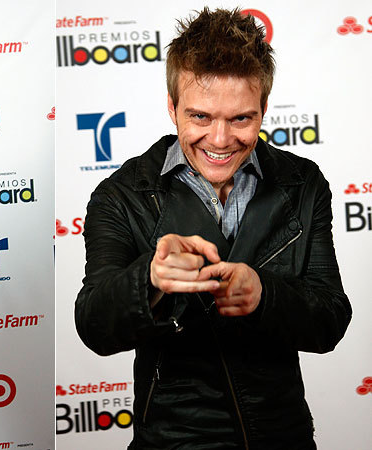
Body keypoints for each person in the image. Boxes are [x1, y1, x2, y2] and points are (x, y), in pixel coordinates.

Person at [75, 8, 351, 449]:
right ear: (172, 107)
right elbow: (94, 326)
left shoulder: (303, 182)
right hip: (173, 440)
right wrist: (151, 279)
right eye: (200, 117)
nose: (220, 140)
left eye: (241, 119)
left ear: (264, 110)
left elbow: (330, 320)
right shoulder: (121, 194)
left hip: (282, 437)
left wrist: (264, 294)